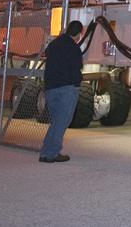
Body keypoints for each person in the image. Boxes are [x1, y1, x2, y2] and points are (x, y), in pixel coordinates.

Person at [39, 20, 85, 163]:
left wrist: (60, 36)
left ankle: (48, 151)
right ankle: (50, 153)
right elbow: (78, 67)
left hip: (51, 88)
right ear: (78, 34)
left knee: (56, 121)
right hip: (67, 89)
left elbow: (47, 53)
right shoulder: (74, 49)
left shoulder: (54, 45)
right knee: (62, 121)